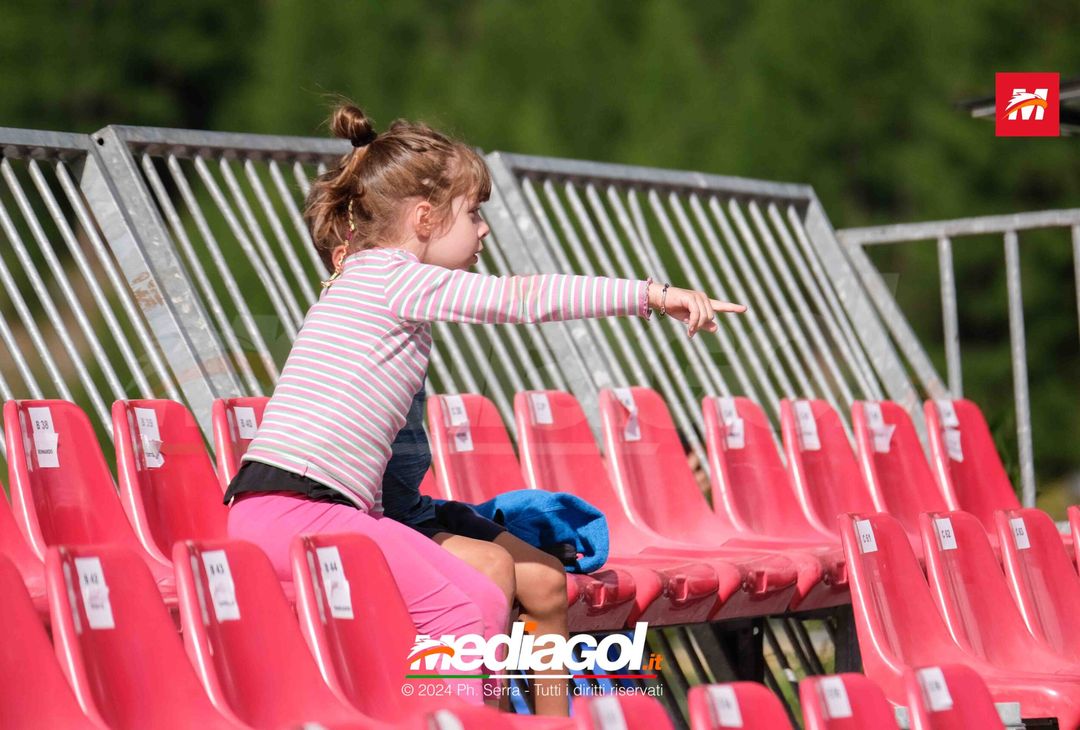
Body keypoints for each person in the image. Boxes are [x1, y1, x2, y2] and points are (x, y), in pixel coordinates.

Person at [224, 102, 746, 715]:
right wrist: (653, 295)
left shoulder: (369, 280)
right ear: (423, 218)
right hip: (298, 514)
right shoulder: (392, 276)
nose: (484, 230)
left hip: (301, 512)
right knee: (468, 605)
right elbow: (523, 299)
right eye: (473, 213)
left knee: (494, 590)